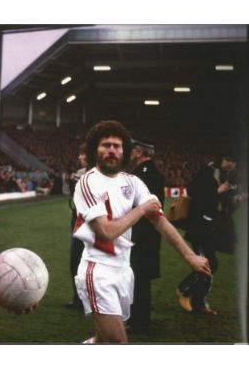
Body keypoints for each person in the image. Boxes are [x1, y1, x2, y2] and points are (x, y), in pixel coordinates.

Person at [72, 120, 211, 343]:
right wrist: (142, 209)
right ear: (94, 150)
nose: (112, 150)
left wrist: (189, 255)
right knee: (119, 341)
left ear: (125, 151)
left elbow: (160, 221)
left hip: (124, 270)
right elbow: (105, 232)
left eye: (117, 146)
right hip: (98, 270)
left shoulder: (133, 182)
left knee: (103, 339)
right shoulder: (88, 183)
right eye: (105, 145)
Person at [176, 153, 240, 315]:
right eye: (228, 159)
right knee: (209, 263)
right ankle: (185, 291)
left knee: (211, 264)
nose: (230, 164)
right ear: (222, 158)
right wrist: (217, 190)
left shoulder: (231, 179)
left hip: (214, 228)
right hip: (200, 226)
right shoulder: (206, 172)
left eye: (234, 162)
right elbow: (193, 192)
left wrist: (234, 201)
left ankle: (198, 302)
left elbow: (229, 209)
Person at [127, 138, 165, 333]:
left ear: (139, 152)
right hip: (147, 235)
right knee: (140, 279)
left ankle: (139, 322)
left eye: (132, 149)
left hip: (141, 235)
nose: (130, 153)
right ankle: (137, 318)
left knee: (139, 279)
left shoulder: (143, 175)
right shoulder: (153, 173)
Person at [66, 143, 87, 310]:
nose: (79, 157)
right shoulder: (79, 173)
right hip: (78, 220)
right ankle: (78, 299)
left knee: (82, 261)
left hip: (89, 222)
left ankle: (85, 300)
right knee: (75, 262)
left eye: (82, 154)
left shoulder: (96, 174)